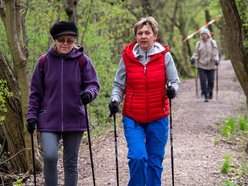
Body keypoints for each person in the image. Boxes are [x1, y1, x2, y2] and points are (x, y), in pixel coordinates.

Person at [26, 21, 100, 186]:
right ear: (55, 40)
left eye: (70, 40)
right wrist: (32, 116)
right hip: (48, 118)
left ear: (74, 41)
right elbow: (35, 93)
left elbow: (93, 84)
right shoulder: (44, 62)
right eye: (61, 40)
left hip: (75, 118)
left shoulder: (82, 61)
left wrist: (89, 94)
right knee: (50, 156)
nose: (65, 43)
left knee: (70, 162)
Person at [109, 16, 180, 186]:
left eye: (147, 33)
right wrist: (114, 100)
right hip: (133, 117)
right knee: (138, 157)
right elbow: (119, 84)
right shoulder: (127, 57)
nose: (143, 36)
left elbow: (175, 81)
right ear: (135, 36)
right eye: (139, 33)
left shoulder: (164, 56)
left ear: (155, 35)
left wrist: (172, 90)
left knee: (155, 163)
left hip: (158, 116)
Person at [191, 28, 220, 102]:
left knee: (211, 81)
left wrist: (216, 60)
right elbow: (196, 53)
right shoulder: (199, 43)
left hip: (211, 65)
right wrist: (193, 58)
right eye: (202, 34)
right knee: (203, 80)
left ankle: (210, 92)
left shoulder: (213, 42)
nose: (203, 36)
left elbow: (215, 53)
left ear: (208, 35)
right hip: (201, 65)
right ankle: (205, 94)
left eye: (205, 34)